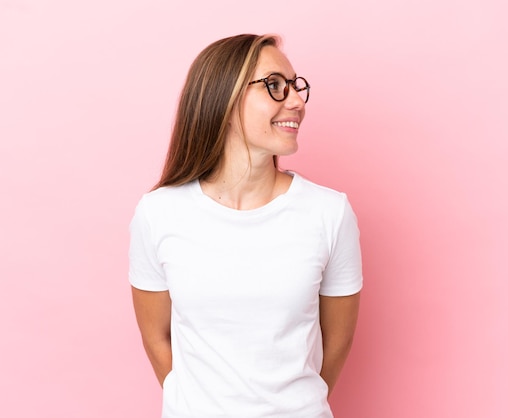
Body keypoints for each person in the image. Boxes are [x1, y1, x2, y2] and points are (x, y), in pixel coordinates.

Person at [129, 34, 362, 418]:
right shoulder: (158, 214)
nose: (297, 101)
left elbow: (338, 341)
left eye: (295, 86)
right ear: (224, 97)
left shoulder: (329, 212)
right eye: (274, 86)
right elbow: (157, 338)